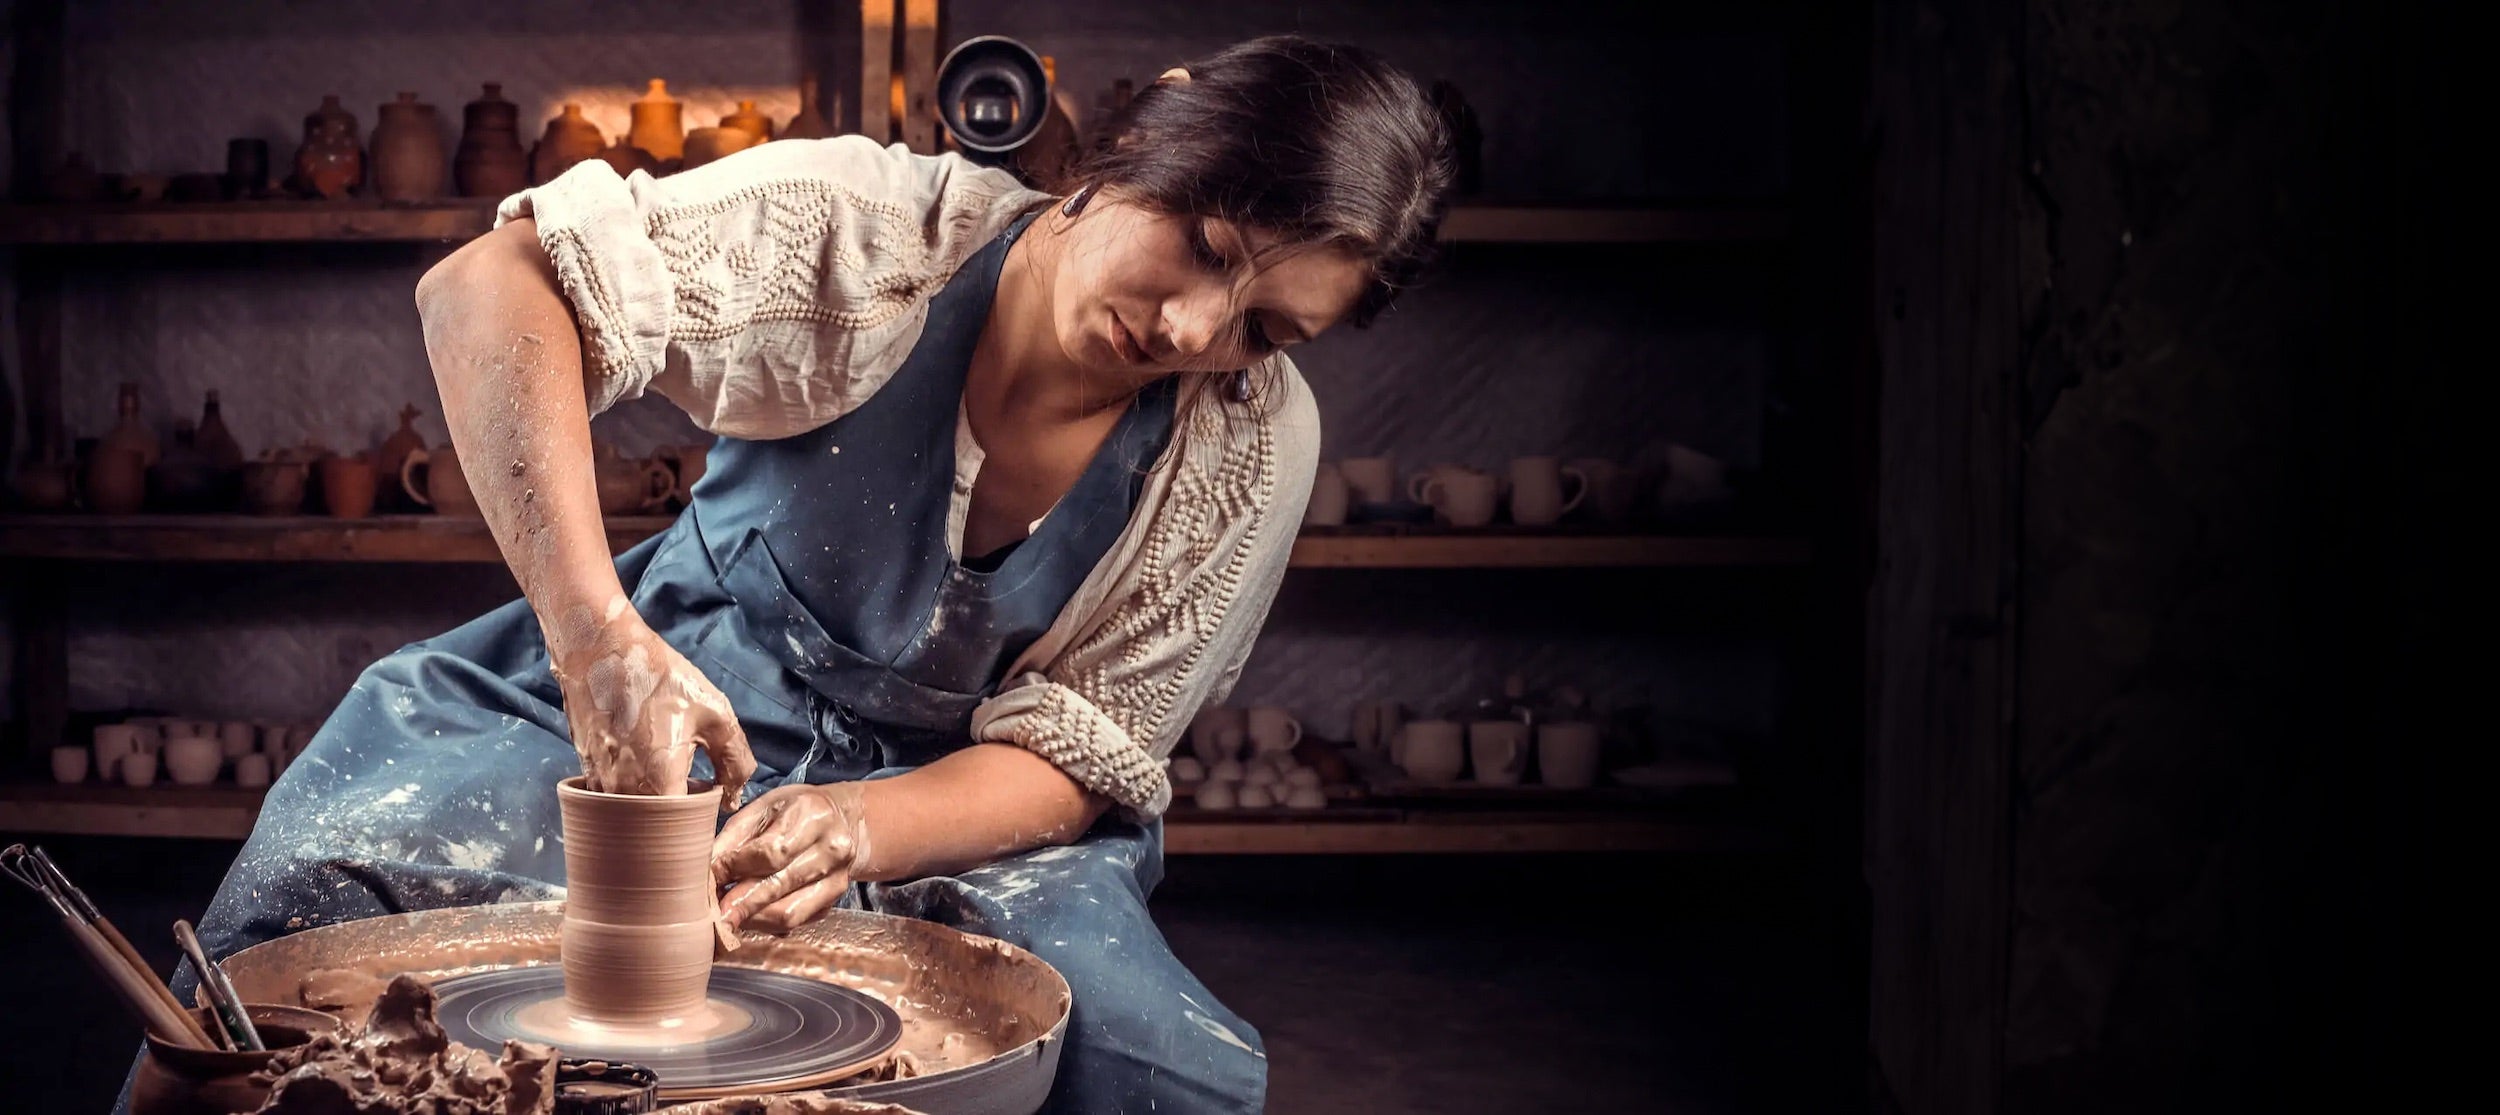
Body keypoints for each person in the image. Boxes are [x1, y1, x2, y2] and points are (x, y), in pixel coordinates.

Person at [158, 34, 1452, 1113]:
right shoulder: (878, 231)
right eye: (1210, 245)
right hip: (657, 694)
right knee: (324, 885)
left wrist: (859, 826)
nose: (1191, 331)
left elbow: (1087, 748)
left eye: (1265, 328)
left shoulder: (1251, 439)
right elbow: (494, 286)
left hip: (945, 796)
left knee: (1155, 1064)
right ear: (1163, 130)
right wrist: (595, 638)